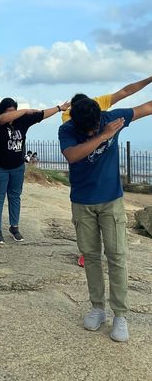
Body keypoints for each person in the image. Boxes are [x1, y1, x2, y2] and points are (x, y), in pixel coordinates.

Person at [59, 97, 152, 342]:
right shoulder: (66, 129)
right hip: (82, 202)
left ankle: (120, 315)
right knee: (90, 256)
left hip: (111, 201)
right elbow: (72, 155)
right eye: (86, 130)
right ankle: (98, 308)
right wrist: (102, 136)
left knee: (117, 256)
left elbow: (148, 107)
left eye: (95, 128)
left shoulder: (111, 117)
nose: (91, 131)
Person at [62, 75, 152, 268]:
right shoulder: (67, 121)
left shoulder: (104, 111)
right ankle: (87, 253)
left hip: (109, 192)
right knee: (89, 236)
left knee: (115, 248)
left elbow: (126, 92)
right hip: (83, 187)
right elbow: (72, 154)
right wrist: (103, 136)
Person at [0, 98, 69, 244]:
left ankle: (14, 227)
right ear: (3, 110)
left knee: (15, 196)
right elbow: (2, 119)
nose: (13, 114)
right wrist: (24, 110)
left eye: (15, 111)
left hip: (17, 166)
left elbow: (42, 114)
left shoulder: (22, 120)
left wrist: (59, 108)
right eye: (9, 111)